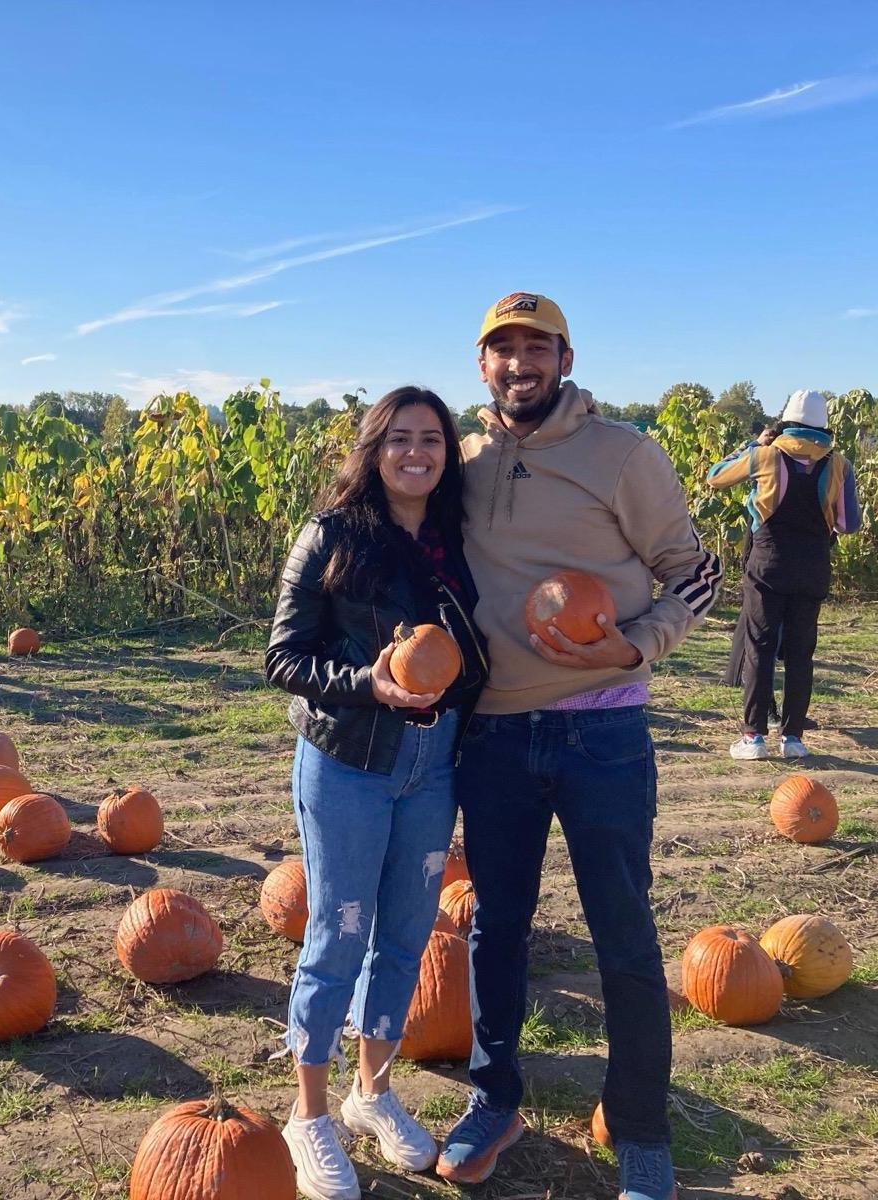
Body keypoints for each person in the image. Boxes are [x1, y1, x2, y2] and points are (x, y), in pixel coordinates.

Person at [437, 293, 722, 1200]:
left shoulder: (626, 454)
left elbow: (696, 571)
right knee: (495, 927)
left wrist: (638, 644)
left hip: (603, 726)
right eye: (502, 349)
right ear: (483, 365)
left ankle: (639, 1125)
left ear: (565, 356)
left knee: (623, 933)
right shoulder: (462, 458)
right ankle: (495, 1096)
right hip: (494, 730)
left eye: (536, 347)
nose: (519, 363)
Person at [265, 385, 488, 1200]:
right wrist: (369, 683)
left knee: (402, 936)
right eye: (399, 439)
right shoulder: (330, 535)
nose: (416, 453)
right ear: (374, 448)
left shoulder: (458, 538)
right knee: (338, 936)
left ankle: (372, 1093)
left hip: (434, 764)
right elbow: (284, 659)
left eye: (431, 438)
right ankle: (309, 1115)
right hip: (351, 760)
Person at [708, 390, 860, 759]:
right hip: (812, 566)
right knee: (800, 651)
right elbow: (849, 523)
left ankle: (753, 737)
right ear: (824, 427)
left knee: (759, 647)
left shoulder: (765, 455)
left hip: (768, 565)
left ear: (786, 422)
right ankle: (793, 738)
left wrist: (751, 443)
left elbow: (716, 477)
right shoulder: (840, 464)